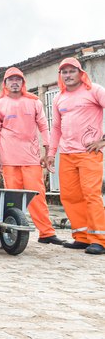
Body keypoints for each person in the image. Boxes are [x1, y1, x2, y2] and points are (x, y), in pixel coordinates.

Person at [0, 67, 62, 245]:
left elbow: (44, 127)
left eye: (18, 80)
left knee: (37, 196)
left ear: (23, 83)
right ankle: (11, 232)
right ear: (5, 84)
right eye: (10, 80)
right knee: (11, 200)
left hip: (31, 158)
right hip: (9, 160)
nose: (14, 83)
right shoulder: (0, 104)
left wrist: (47, 150)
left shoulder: (34, 102)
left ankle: (46, 233)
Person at [44, 58, 105, 254]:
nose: (68, 75)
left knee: (91, 195)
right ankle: (82, 237)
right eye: (64, 72)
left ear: (80, 73)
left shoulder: (94, 90)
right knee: (70, 197)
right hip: (67, 154)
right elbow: (55, 127)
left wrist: (103, 140)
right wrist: (51, 153)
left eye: (72, 71)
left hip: (89, 153)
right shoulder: (58, 98)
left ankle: (100, 239)